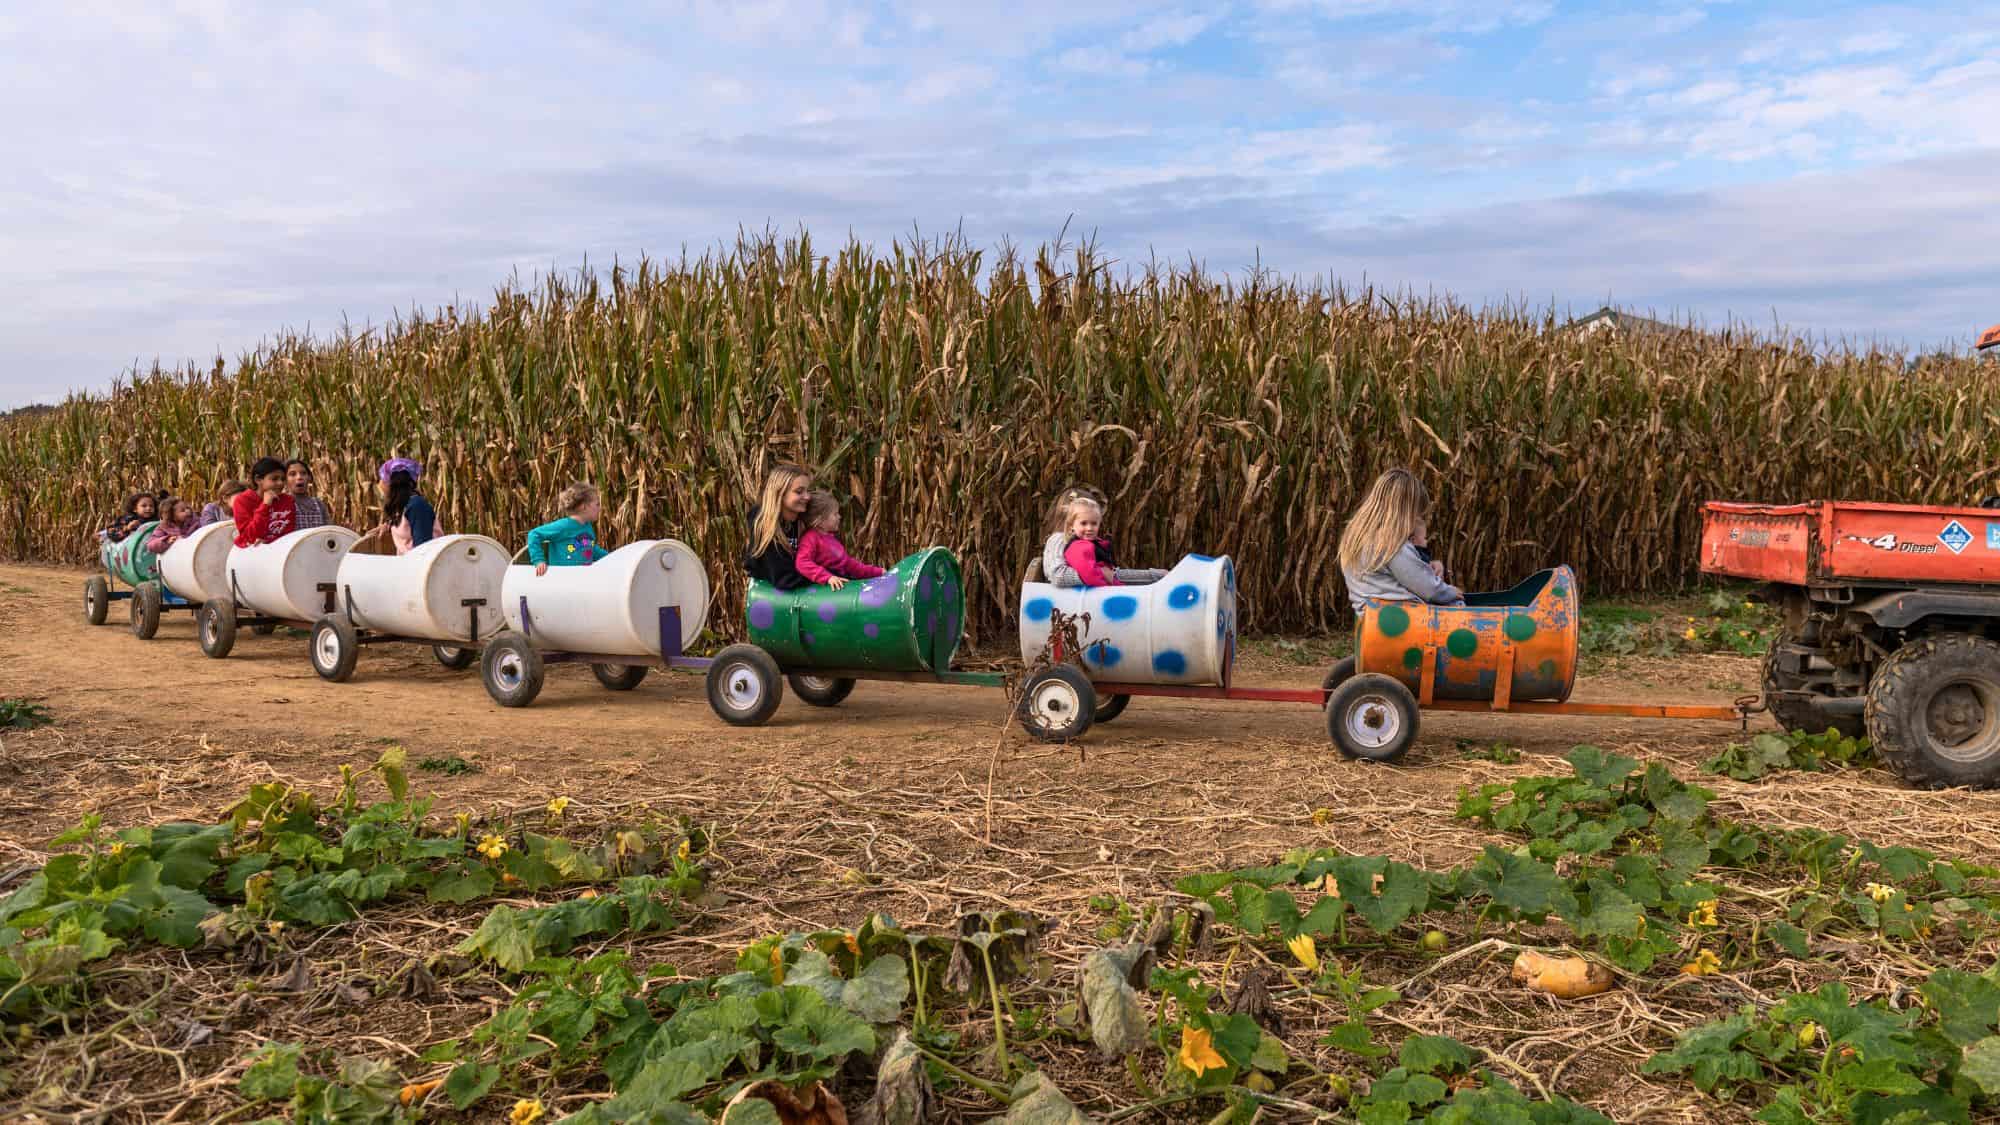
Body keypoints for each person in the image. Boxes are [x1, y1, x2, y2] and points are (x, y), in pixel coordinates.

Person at [1337, 468, 1464, 614]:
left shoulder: (1356, 537)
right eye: (1416, 514)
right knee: (1458, 606)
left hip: (1369, 616)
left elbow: (1399, 575)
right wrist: (1450, 592)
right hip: (1401, 619)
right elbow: (1428, 589)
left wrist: (1428, 566)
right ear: (1405, 511)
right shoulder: (1392, 544)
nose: (1416, 521)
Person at [1062, 496, 1166, 587]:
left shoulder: (1091, 543)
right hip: (1101, 589)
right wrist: (1117, 589)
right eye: (1083, 523)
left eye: (1094, 523)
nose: (1089, 528)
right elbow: (1090, 576)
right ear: (1072, 525)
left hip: (1109, 581)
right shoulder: (1079, 547)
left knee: (1155, 577)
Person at [743, 463, 814, 590]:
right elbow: (784, 579)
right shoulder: (765, 524)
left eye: (808, 491)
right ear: (779, 493)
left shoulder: (801, 520)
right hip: (769, 598)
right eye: (799, 492)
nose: (807, 497)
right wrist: (826, 575)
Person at [795, 491, 885, 590]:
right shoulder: (810, 538)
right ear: (820, 520)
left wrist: (877, 572)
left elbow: (849, 564)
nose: (839, 517)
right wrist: (827, 577)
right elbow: (802, 563)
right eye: (835, 514)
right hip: (829, 588)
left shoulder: (831, 538)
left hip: (843, 582)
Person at [526, 482, 606, 575]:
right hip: (562, 580)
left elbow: (590, 548)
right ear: (583, 506)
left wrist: (612, 557)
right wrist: (539, 560)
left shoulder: (588, 528)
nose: (600, 508)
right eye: (597, 504)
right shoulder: (564, 526)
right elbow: (534, 534)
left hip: (581, 579)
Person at [1039, 485, 1105, 588]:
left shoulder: (1086, 541)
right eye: (1084, 522)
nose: (1089, 527)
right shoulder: (1059, 539)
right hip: (1064, 602)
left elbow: (1109, 572)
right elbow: (1058, 576)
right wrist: (1100, 574)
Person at [373, 457, 440, 555]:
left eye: (382, 479)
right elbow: (404, 527)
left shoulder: (417, 506)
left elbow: (423, 550)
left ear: (392, 484)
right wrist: (387, 526)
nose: (380, 484)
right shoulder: (401, 507)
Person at [232, 458, 298, 547]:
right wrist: (265, 505)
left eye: (282, 479)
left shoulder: (288, 500)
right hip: (250, 551)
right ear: (258, 479)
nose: (280, 483)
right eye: (274, 479)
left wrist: (269, 542)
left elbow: (288, 533)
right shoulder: (242, 501)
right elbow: (249, 537)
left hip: (279, 550)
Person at [287, 460, 333, 529]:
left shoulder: (319, 504)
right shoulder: (283, 505)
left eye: (303, 473)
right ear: (285, 480)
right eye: (293, 474)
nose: (299, 477)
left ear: (309, 478)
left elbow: (329, 531)